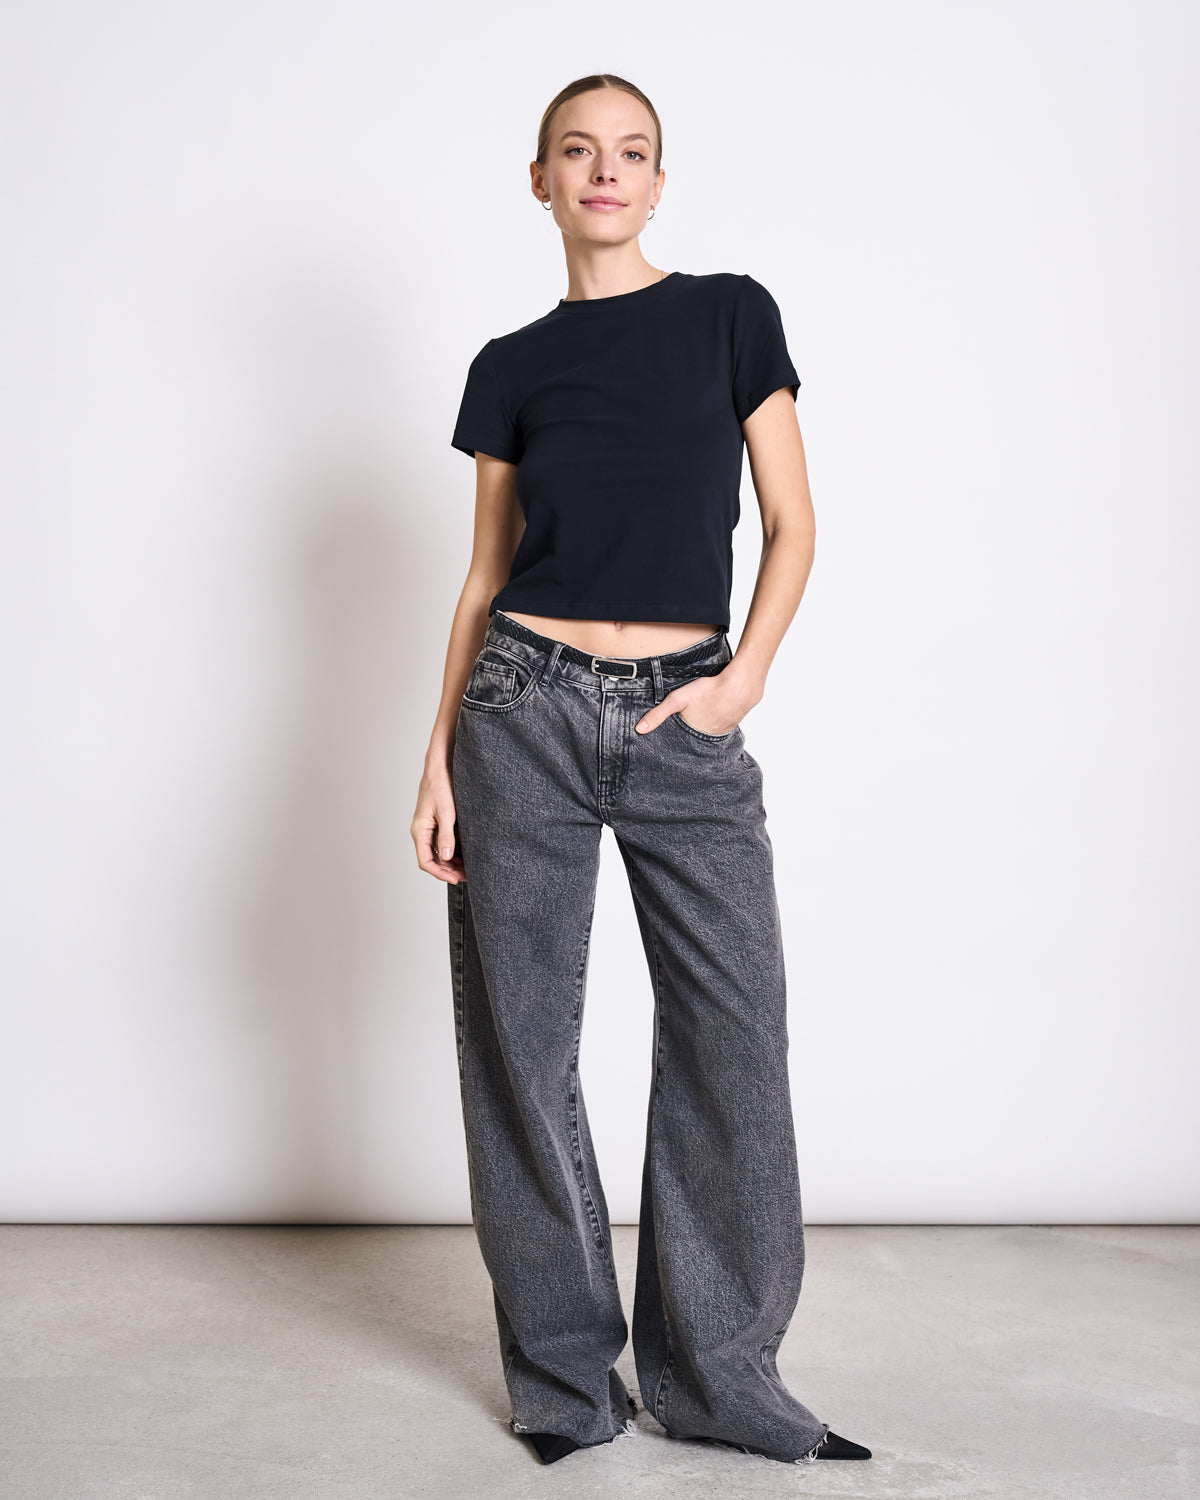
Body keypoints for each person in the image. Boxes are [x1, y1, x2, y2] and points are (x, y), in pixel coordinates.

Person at [412, 73, 872, 1468]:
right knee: (523, 1048)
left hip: (688, 717)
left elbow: (793, 524)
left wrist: (743, 682)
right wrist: (434, 756)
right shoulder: (509, 363)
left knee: (735, 1038)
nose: (606, 172)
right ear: (540, 179)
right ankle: (565, 1381)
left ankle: (721, 1376)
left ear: (658, 184)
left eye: (632, 154)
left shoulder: (732, 315)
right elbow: (485, 575)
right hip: (523, 714)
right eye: (578, 151)